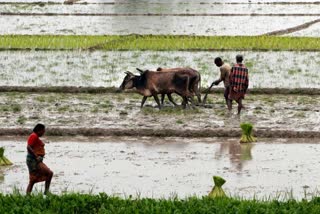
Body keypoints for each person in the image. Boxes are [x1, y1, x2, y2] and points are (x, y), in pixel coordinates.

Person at [26, 124, 53, 195]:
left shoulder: (35, 136)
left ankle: (27, 196)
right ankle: (46, 192)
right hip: (34, 161)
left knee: (33, 179)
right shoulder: (33, 136)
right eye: (43, 131)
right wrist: (36, 157)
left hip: (35, 160)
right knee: (49, 173)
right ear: (39, 130)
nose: (43, 133)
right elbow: (29, 147)